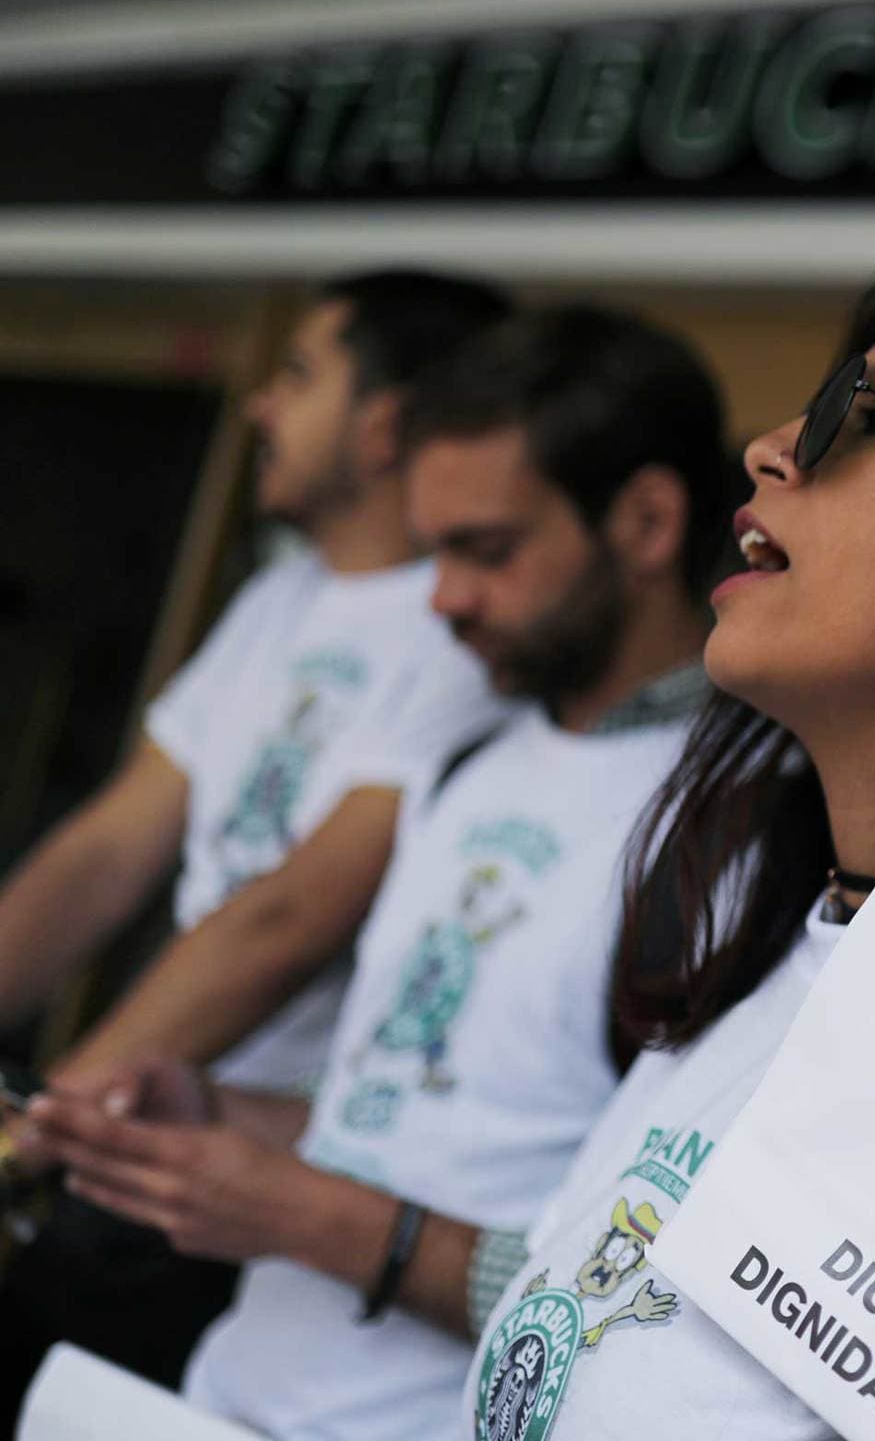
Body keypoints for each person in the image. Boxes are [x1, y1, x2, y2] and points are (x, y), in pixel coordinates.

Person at [35, 243, 875, 1439]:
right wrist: (220, 1129)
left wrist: (311, 1216)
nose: (774, 449)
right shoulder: (780, 929)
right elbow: (564, 1252)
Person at [26, 304, 733, 1440]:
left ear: (646, 521)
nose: (442, 599)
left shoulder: (740, 823)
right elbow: (408, 1116)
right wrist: (213, 1116)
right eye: (433, 548)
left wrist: (307, 1216)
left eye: (487, 550)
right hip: (217, 1397)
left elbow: (643, 1304)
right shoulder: (467, 758)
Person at [0, 270, 511, 1415]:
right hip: (125, 1126)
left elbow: (289, 914)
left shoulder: (464, 627)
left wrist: (39, 1128)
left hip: (249, 1189)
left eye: (298, 375)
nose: (261, 407)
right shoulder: (280, 601)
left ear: (383, 424)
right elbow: (105, 852)